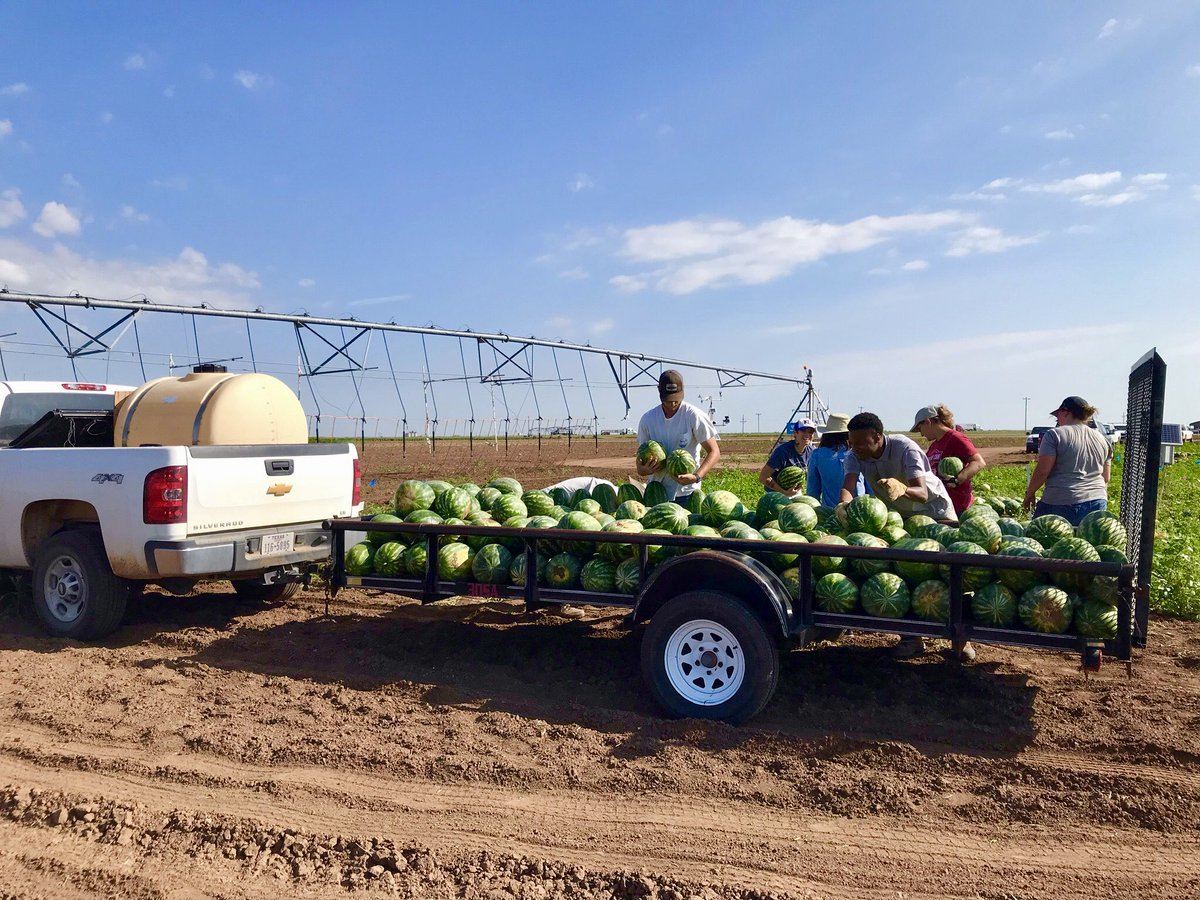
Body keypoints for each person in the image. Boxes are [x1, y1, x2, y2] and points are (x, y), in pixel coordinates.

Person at [841, 412, 971, 662]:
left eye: (859, 443)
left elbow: (922, 493)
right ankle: (911, 639)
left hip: (936, 514)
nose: (854, 448)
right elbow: (848, 486)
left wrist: (902, 488)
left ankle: (958, 641)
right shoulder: (854, 455)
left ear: (877, 437)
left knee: (949, 575)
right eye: (851, 443)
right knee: (904, 576)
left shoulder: (905, 448)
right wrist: (844, 506)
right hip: (902, 521)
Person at [1022, 396, 1112, 525]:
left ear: (1065, 412)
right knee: (1088, 544)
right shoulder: (1102, 439)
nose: (1057, 419)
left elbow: (1043, 471)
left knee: (1045, 541)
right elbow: (1106, 477)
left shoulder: (1054, 435)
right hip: (1097, 502)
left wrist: (1029, 494)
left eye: (1057, 415)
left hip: (1060, 503)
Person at [635, 370, 720, 503]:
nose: (673, 404)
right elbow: (640, 458)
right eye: (668, 400)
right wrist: (642, 470)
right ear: (659, 391)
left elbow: (714, 452)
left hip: (687, 493)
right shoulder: (648, 419)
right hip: (656, 493)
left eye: (676, 399)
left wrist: (697, 476)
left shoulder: (694, 416)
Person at [911, 404, 986, 516]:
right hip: (941, 507)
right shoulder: (934, 446)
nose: (921, 434)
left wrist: (957, 480)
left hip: (959, 506)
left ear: (928, 422)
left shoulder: (955, 438)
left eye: (919, 428)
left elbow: (978, 462)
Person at [805, 412, 866, 507]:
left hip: (829, 514)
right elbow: (870, 488)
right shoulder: (859, 453)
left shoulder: (817, 455)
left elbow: (812, 492)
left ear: (826, 434)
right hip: (860, 511)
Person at [759, 418, 817, 497]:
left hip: (796, 493)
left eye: (810, 432)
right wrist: (784, 492)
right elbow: (763, 477)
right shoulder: (782, 452)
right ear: (795, 433)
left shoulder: (812, 452)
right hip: (776, 494)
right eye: (803, 431)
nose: (807, 435)